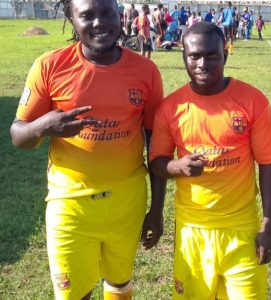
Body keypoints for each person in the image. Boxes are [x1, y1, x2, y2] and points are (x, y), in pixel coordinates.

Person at [10, 0, 165, 298]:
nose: (99, 23)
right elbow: (18, 135)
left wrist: (156, 210)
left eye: (106, 12)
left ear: (119, 15)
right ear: (71, 18)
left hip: (126, 201)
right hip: (70, 206)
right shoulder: (50, 66)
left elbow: (155, 145)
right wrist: (44, 126)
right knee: (74, 293)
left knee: (119, 282)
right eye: (87, 15)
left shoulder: (145, 71)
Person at [149, 22, 271, 299]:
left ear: (225, 55)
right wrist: (177, 166)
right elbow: (157, 162)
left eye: (212, 55)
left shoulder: (253, 101)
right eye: (194, 56)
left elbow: (267, 165)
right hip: (192, 232)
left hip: (242, 230)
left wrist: (269, 223)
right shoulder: (171, 107)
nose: (202, 63)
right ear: (184, 56)